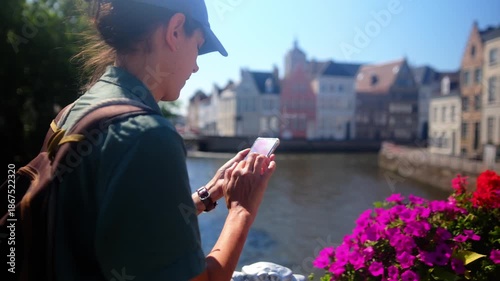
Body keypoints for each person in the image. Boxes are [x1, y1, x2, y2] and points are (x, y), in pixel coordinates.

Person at [53, 0, 277, 280]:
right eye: (197, 47)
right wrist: (242, 210)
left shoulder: (75, 111)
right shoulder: (147, 134)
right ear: (174, 30)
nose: (196, 67)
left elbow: (123, 224)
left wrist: (205, 196)